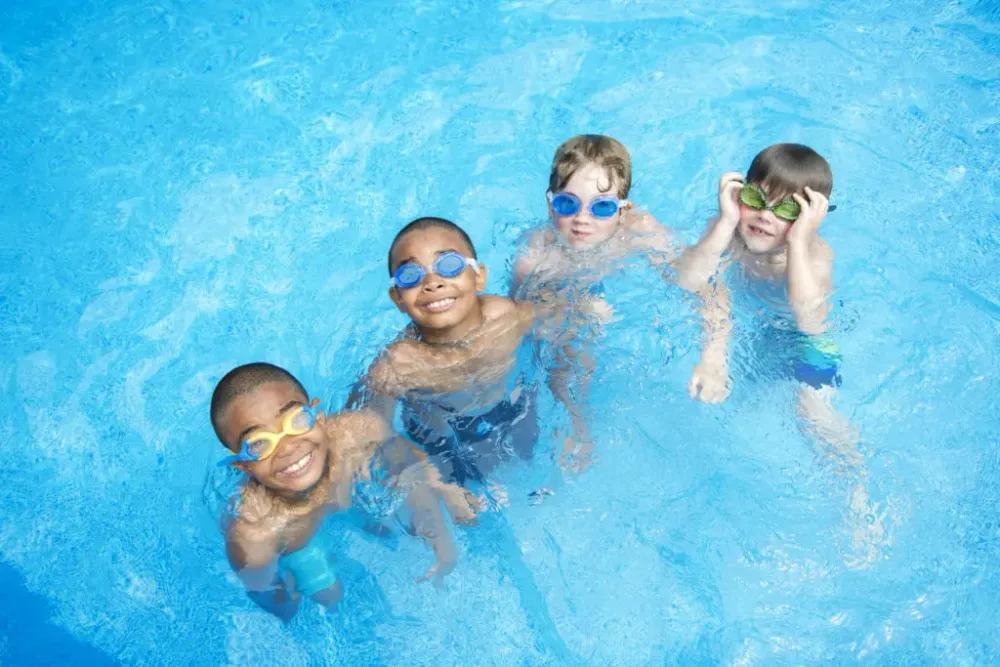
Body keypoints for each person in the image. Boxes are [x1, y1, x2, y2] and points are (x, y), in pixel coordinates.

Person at [211, 362, 478, 620]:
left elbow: (408, 465)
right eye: (259, 443)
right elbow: (268, 592)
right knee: (331, 598)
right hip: (300, 542)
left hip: (349, 492)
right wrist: (286, 606)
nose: (288, 447)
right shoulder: (256, 533)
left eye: (296, 420)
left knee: (393, 529)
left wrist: (442, 507)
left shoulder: (356, 433)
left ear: (318, 416)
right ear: (243, 464)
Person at [509, 134, 681, 466]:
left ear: (623, 210)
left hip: (601, 294)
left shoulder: (640, 230)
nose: (582, 219)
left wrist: (713, 355)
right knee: (566, 344)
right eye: (567, 204)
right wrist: (577, 309)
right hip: (559, 296)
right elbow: (517, 321)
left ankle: (577, 427)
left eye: (602, 207)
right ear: (550, 205)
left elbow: (693, 280)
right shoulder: (537, 254)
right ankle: (576, 425)